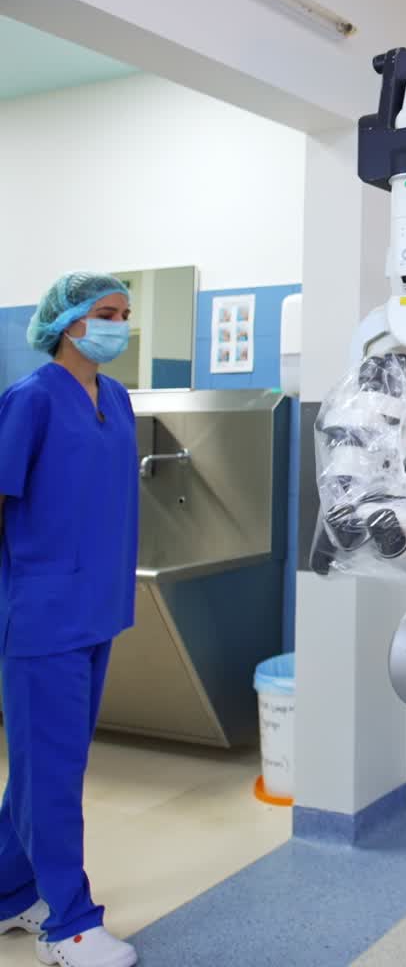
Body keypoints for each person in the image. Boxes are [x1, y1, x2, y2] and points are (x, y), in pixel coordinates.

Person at [0, 274, 140, 967]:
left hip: (96, 609)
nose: (117, 325)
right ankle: (69, 922)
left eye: (123, 314)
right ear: (66, 323)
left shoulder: (116, 399)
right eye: (104, 315)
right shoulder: (29, 400)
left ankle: (8, 894)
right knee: (51, 776)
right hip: (44, 616)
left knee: (43, 769)